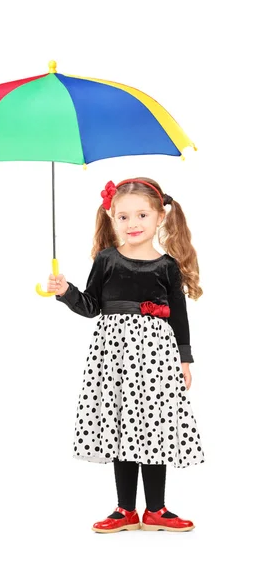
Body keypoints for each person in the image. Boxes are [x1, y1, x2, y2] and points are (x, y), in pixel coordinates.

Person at [47, 177, 205, 533]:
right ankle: (124, 510)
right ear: (111, 217)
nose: (132, 224)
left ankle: (156, 509)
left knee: (153, 424)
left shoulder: (167, 266)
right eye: (123, 217)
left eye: (141, 215)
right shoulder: (106, 260)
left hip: (155, 357)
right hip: (114, 357)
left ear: (160, 217)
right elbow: (90, 307)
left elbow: (179, 317)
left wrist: (184, 360)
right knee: (120, 422)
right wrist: (66, 291)